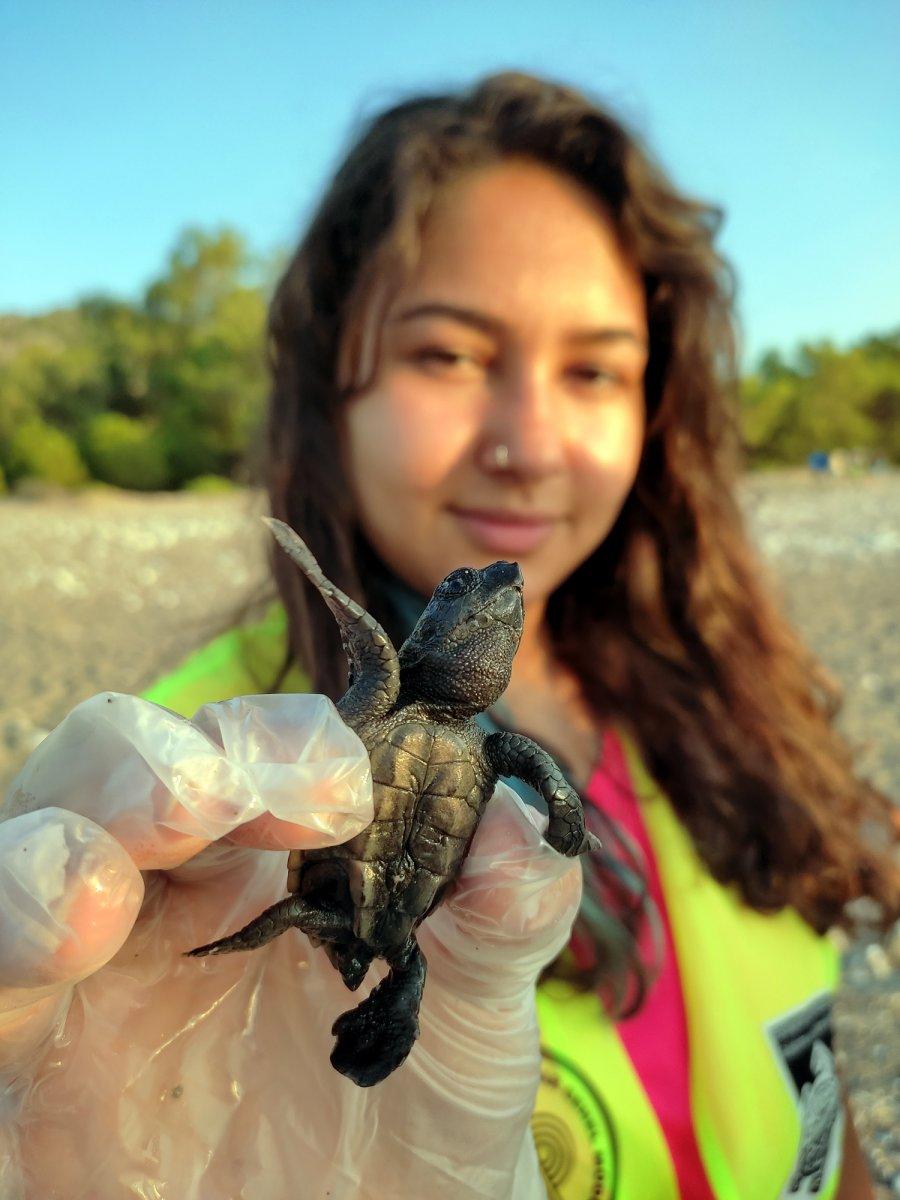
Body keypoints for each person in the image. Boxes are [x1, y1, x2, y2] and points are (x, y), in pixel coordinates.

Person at [1, 71, 895, 1199]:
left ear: (656, 411)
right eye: (449, 353)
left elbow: (835, 1120)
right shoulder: (219, 793)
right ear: (332, 386)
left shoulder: (729, 711)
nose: (528, 440)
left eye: (594, 370)